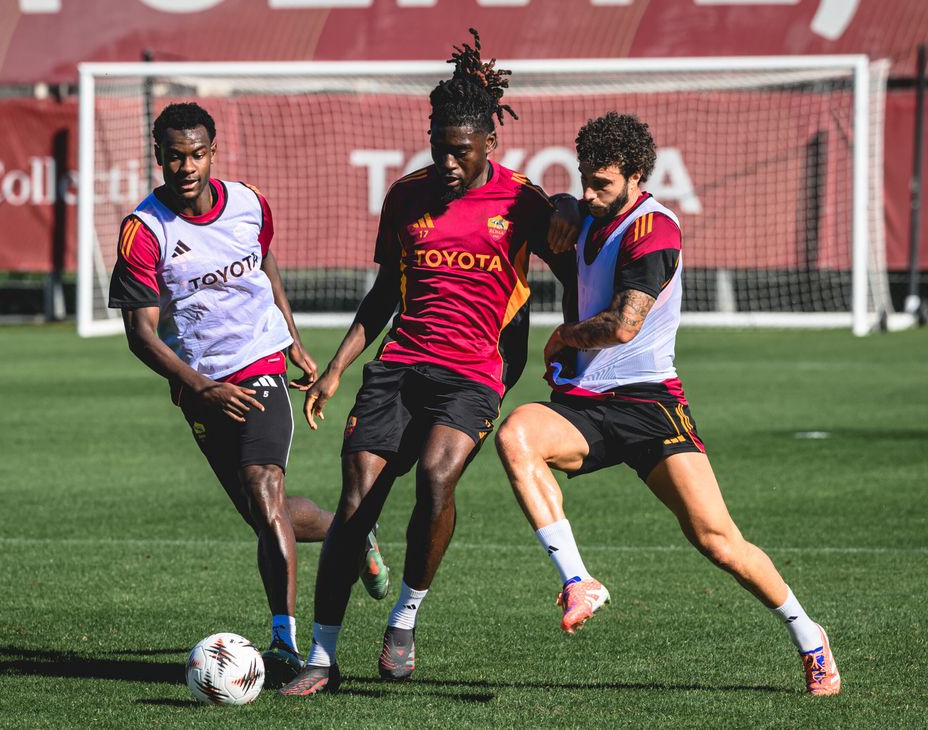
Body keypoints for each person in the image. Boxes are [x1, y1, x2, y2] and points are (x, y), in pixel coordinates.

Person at [494, 111, 841, 696]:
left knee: (717, 541)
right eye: (582, 179)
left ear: (636, 176)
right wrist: (561, 202)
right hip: (583, 404)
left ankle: (809, 635)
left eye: (600, 183)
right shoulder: (583, 216)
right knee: (515, 436)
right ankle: (578, 580)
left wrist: (562, 338)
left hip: (650, 404)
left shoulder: (654, 229)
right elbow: (551, 200)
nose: (587, 192)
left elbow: (625, 326)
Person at [280, 30, 573, 696]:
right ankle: (321, 658)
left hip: (473, 374)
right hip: (399, 368)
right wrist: (335, 368)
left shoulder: (524, 202)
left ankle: (405, 618)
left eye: (460, 151)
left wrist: (572, 338)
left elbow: (577, 267)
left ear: (488, 146)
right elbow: (384, 294)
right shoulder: (406, 197)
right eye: (438, 146)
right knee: (356, 503)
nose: (446, 161)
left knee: (438, 479)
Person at [107, 102, 389, 689]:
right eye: (174, 156)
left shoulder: (249, 203)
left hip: (259, 365)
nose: (186, 166)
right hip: (202, 385)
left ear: (213, 151)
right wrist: (201, 388)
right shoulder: (144, 230)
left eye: (197, 154)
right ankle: (351, 531)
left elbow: (265, 267)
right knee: (269, 520)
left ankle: (284, 642)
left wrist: (289, 339)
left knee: (266, 488)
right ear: (159, 157)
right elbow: (140, 334)